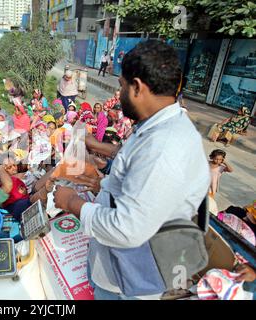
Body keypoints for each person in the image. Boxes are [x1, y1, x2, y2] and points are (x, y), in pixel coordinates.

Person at [54, 40, 210, 300]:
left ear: (137, 88)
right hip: (113, 264)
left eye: (122, 86)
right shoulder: (157, 126)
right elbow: (140, 179)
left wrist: (72, 203)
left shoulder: (164, 147)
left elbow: (127, 229)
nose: (120, 94)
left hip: (130, 279)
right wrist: (103, 181)